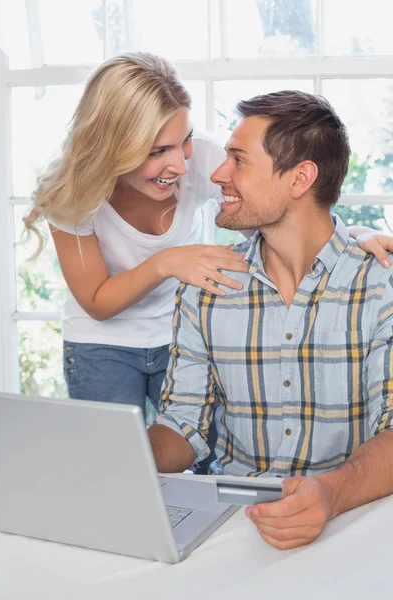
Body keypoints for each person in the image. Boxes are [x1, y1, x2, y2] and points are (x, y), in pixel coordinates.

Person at [24, 52, 390, 422]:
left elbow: (275, 222)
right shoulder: (72, 190)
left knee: (203, 456)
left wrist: (353, 234)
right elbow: (97, 302)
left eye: (186, 139)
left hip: (180, 334)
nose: (182, 165)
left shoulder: (205, 160)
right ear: (113, 149)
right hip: (101, 347)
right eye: (157, 152)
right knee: (113, 463)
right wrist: (166, 263)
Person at [149, 90, 393, 548]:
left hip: (353, 521)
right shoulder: (208, 286)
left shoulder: (381, 286)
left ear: (300, 178)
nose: (219, 174)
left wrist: (329, 491)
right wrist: (126, 455)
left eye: (238, 160)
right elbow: (185, 424)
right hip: (235, 527)